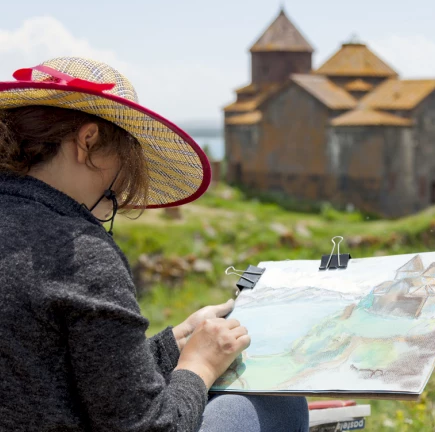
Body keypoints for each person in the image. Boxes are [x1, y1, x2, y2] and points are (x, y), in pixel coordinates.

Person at [0, 57, 309, 432]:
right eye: (124, 158)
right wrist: (200, 365)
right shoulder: (78, 252)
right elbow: (151, 428)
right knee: (279, 406)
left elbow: (64, 373)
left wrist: (175, 344)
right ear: (88, 140)